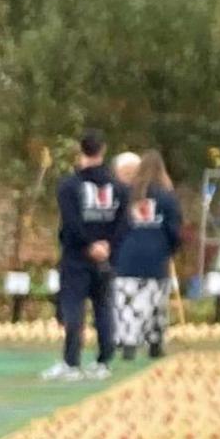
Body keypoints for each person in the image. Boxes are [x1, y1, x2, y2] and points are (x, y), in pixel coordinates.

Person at [47, 131, 121, 382]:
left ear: (81, 151)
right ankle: (104, 361)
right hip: (106, 258)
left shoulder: (69, 185)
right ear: (103, 150)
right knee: (103, 308)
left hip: (76, 256)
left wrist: (88, 244)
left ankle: (72, 362)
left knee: (73, 308)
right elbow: (123, 222)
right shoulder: (118, 187)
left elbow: (71, 221)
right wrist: (108, 246)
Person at [108, 152, 186, 360]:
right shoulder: (166, 197)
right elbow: (174, 229)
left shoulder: (128, 196)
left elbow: (117, 228)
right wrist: (173, 248)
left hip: (128, 256)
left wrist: (115, 253)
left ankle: (128, 343)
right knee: (155, 303)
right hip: (155, 256)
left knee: (127, 303)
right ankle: (155, 343)